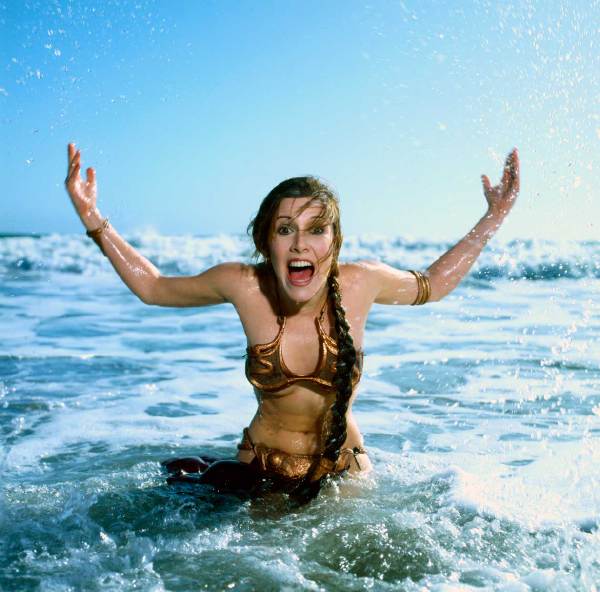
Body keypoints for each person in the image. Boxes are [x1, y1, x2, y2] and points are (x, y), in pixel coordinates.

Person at [64, 143, 520, 504]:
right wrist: (94, 220)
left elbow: (432, 284)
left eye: (317, 229)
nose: (301, 242)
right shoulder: (243, 285)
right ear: (266, 241)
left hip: (344, 471)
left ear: (335, 242)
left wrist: (493, 216)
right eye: (285, 229)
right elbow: (155, 288)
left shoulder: (361, 283)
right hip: (259, 468)